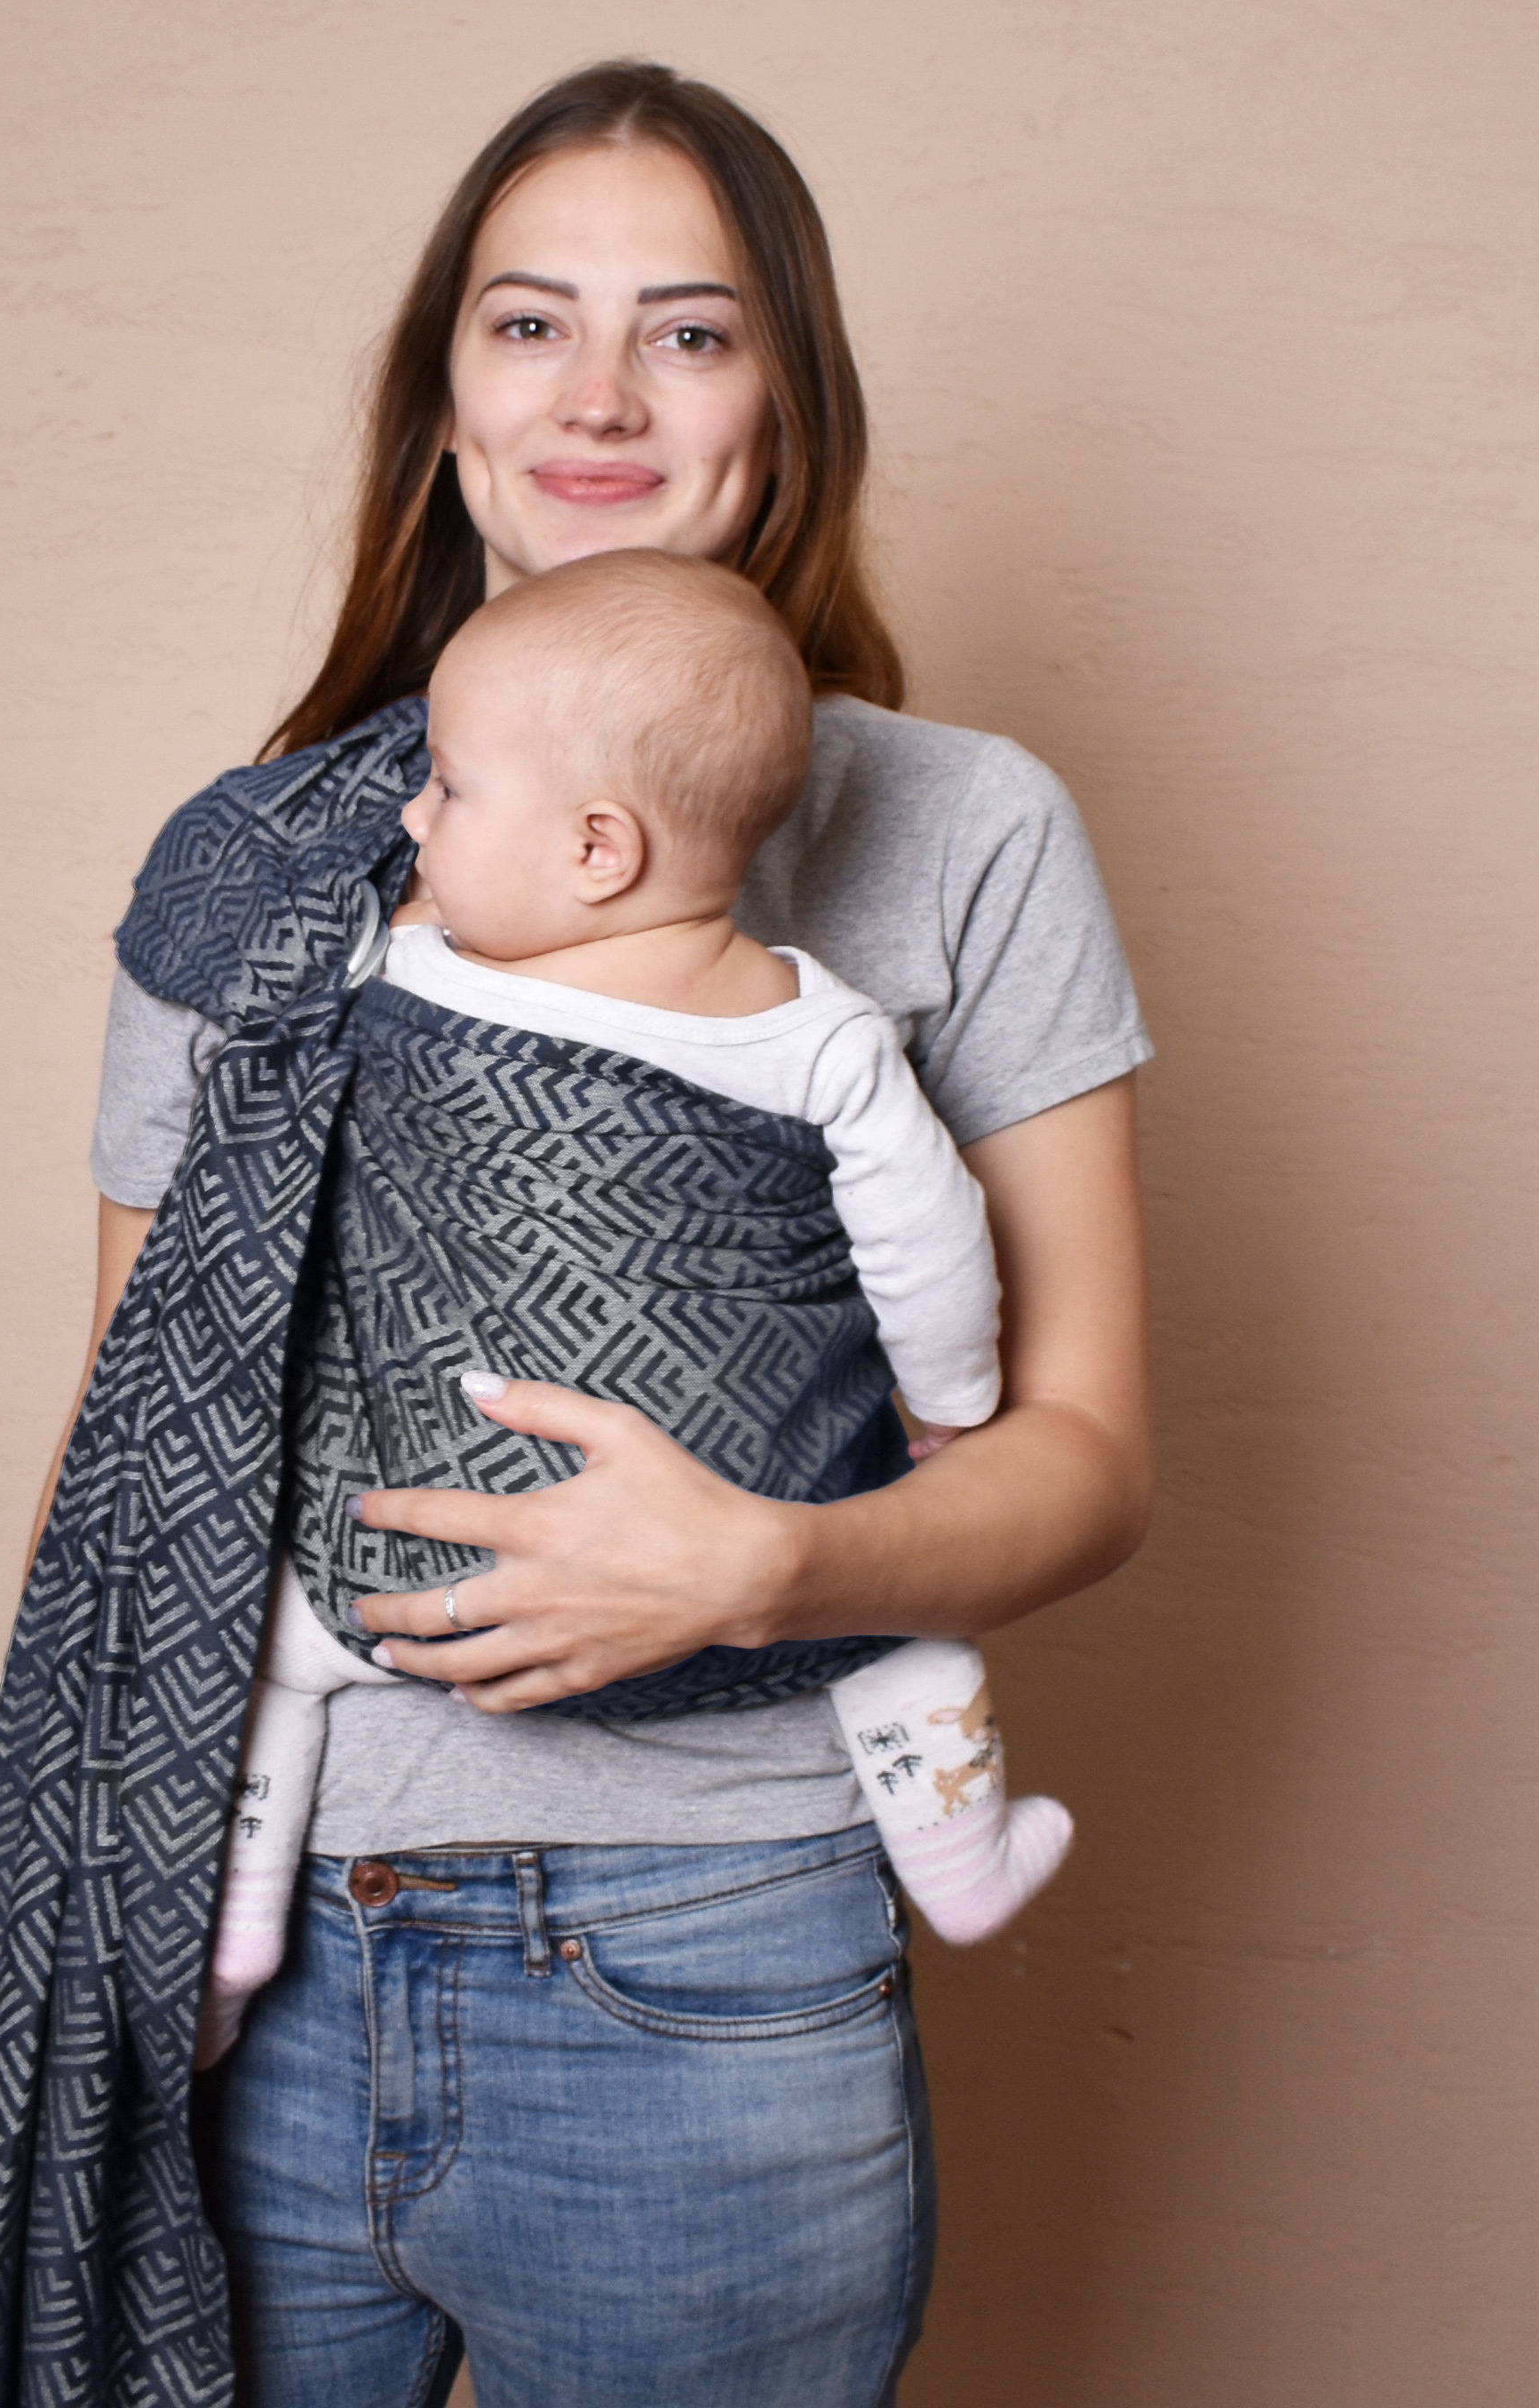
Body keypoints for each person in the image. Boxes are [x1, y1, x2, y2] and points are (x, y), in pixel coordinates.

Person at [70, 62, 1153, 2407]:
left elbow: (1085, 1451)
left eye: (688, 330)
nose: (595, 392)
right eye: (526, 322)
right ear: (441, 404)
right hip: (251, 1968)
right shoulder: (245, 870)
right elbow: (129, 1457)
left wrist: (768, 1571)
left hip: (709, 1976)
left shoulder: (960, 831)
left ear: (784, 404)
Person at [195, 548, 1078, 2070]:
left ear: (597, 846)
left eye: (450, 791)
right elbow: (935, 1250)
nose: (415, 816)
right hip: (722, 1560)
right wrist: (951, 1408)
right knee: (901, 1635)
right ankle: (963, 1855)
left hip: (408, 1562)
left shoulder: (406, 969)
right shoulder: (822, 1036)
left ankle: (233, 1919)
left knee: (267, 1644)